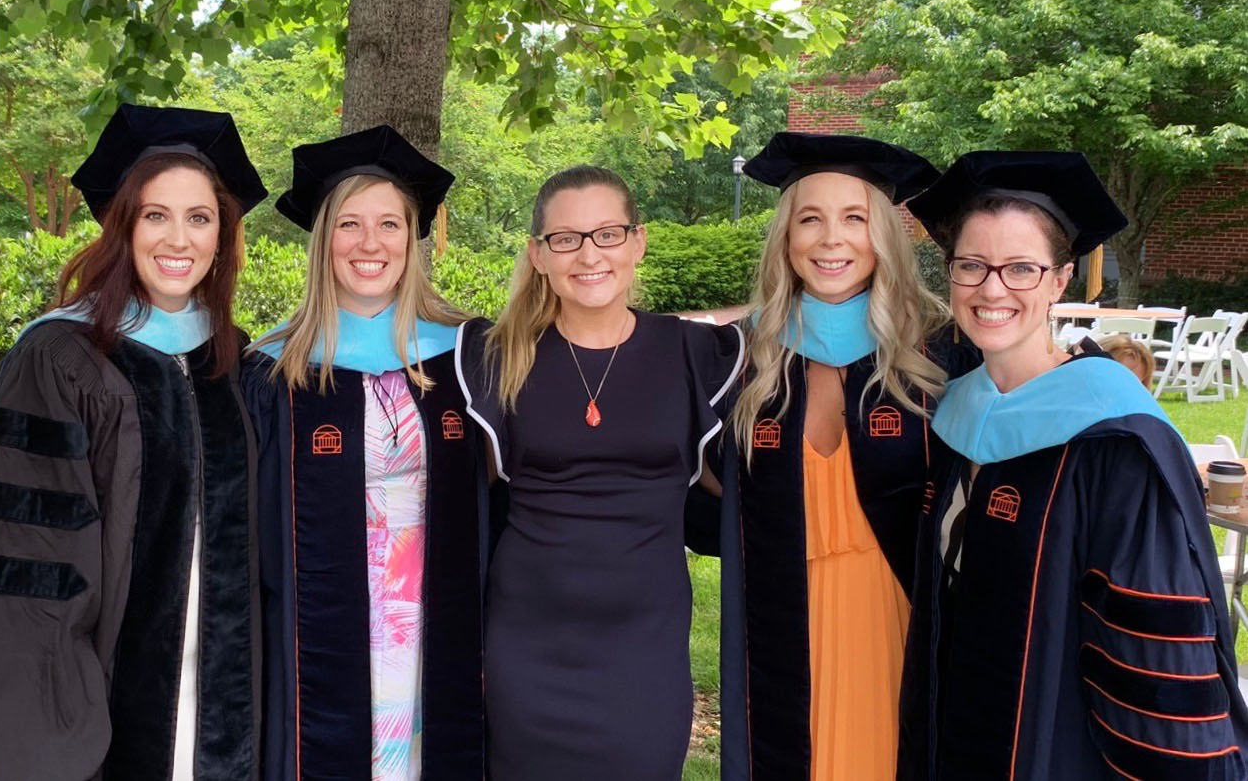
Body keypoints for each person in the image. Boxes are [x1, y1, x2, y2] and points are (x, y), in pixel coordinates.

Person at [0, 104, 268, 780]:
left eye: (199, 217)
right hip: (105, 699)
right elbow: (29, 559)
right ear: (122, 224)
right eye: (155, 215)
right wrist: (47, 731)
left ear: (221, 234)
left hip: (224, 697)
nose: (179, 238)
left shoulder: (235, 358)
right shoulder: (61, 357)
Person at [900, 151, 1248, 780]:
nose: (992, 288)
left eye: (1021, 269)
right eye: (971, 265)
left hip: (1061, 750)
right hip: (951, 730)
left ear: (1060, 281)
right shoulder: (954, 416)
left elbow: (1153, 653)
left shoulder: (1113, 439)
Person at [455, 165, 744, 780]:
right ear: (538, 254)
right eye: (566, 238)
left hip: (645, 650)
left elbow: (791, 317)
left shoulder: (693, 355)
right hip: (527, 648)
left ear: (638, 241)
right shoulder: (496, 358)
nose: (589, 254)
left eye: (608, 233)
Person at [710, 132, 978, 781]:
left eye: (854, 218)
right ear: (786, 238)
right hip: (777, 621)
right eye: (811, 218)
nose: (832, 239)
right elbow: (702, 498)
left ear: (882, 234)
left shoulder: (944, 354)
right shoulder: (740, 359)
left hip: (895, 622)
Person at [242, 126, 484, 781]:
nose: (370, 243)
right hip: (318, 633)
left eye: (389, 224)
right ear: (324, 241)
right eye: (349, 224)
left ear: (413, 237)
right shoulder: (271, 370)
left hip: (440, 623)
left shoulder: (468, 356)